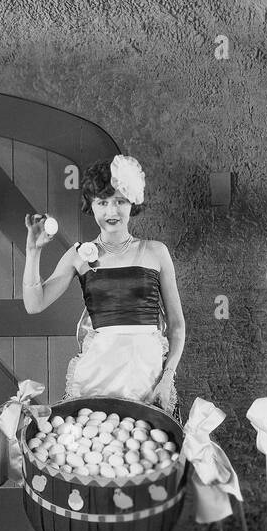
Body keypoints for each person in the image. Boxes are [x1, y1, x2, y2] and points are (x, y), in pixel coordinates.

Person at [22, 155, 185, 411]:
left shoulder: (156, 252)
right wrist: (33, 252)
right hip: (97, 377)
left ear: (132, 202)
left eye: (120, 201)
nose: (112, 211)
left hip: (148, 377)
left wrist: (167, 378)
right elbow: (34, 304)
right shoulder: (78, 254)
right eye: (103, 202)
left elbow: (176, 327)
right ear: (91, 205)